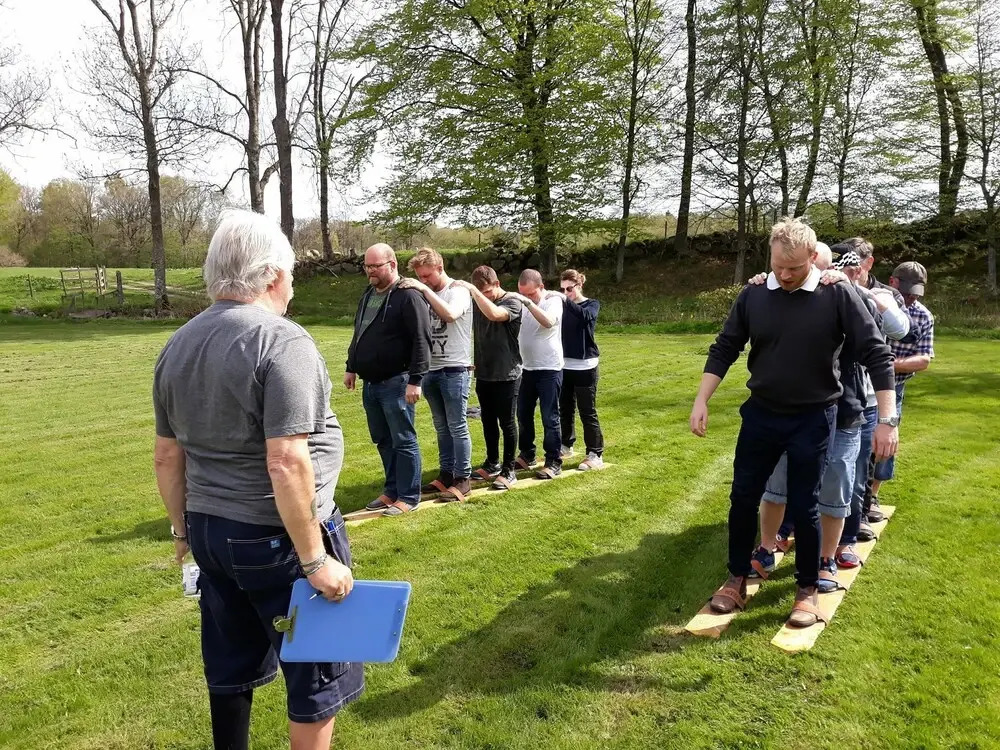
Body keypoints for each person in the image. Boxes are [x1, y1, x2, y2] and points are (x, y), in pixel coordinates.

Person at [153, 211, 363, 750]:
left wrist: (181, 531)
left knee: (230, 666)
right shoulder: (281, 340)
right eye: (291, 275)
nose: (292, 287)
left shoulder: (178, 343)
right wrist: (315, 560)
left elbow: (167, 457)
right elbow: (286, 461)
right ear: (272, 275)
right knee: (317, 674)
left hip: (210, 532)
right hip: (277, 537)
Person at [689, 217, 899, 628]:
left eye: (796, 268)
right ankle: (736, 578)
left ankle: (806, 591)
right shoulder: (754, 294)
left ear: (814, 258)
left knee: (805, 505)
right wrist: (701, 399)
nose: (785, 275)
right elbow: (726, 346)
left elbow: (877, 353)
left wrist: (887, 420)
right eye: (779, 266)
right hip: (762, 414)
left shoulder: (836, 293)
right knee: (742, 498)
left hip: (813, 417)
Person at [750, 248, 910, 590]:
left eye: (826, 270)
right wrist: (762, 282)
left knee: (836, 488)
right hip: (793, 412)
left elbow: (884, 347)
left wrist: (887, 418)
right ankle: (766, 547)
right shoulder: (786, 295)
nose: (822, 277)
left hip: (845, 410)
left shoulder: (852, 298)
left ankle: (827, 559)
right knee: (778, 483)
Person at [346, 243, 431, 517]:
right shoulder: (368, 294)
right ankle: (392, 490)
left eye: (375, 266)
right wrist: (351, 366)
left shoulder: (408, 296)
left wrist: (416, 380)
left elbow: (422, 340)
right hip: (371, 383)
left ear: (392, 264)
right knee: (383, 439)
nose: (370, 271)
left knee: (403, 439)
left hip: (397, 381)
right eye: (367, 266)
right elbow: (359, 331)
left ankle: (409, 496)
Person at [401, 247, 475, 500]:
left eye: (427, 276)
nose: (424, 281)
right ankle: (446, 475)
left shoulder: (458, 291)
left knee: (457, 426)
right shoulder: (426, 292)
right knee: (441, 427)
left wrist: (423, 291)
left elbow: (450, 315)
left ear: (440, 268)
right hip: (431, 370)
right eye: (420, 277)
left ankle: (463, 479)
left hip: (455, 369)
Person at [452, 266, 524, 490]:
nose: (485, 296)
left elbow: (495, 314)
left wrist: (474, 291)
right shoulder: (477, 302)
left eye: (488, 292)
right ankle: (492, 462)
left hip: (507, 373)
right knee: (488, 420)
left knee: (507, 423)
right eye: (481, 293)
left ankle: (509, 470)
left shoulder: (512, 302)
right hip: (484, 372)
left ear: (497, 284)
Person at [871, 261, 935, 504]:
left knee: (885, 444)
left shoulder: (923, 315)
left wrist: (887, 364)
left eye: (915, 294)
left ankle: (872, 496)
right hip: (861, 385)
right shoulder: (872, 302)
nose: (911, 298)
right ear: (892, 282)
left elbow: (924, 359)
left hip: (894, 387)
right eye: (907, 292)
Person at [508, 269, 565, 479]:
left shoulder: (552, 300)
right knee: (523, 414)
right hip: (526, 368)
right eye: (523, 293)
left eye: (531, 293)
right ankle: (527, 454)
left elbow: (548, 322)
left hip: (549, 368)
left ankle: (553, 461)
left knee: (550, 416)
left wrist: (528, 303)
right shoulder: (521, 302)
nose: (527, 297)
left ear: (541, 287)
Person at [556, 269, 605, 471]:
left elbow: (585, 317)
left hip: (586, 366)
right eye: (562, 289)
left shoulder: (592, 304)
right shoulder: (562, 306)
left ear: (579, 285)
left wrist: (564, 301)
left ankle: (595, 453)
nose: (566, 293)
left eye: (569, 289)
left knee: (587, 411)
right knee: (565, 409)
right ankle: (566, 445)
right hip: (564, 365)